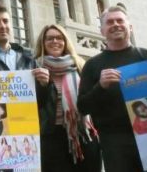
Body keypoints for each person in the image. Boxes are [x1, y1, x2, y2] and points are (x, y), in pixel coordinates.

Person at [78, 6, 147, 172]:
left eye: (120, 20)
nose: (115, 24)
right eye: (109, 22)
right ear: (102, 31)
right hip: (114, 143)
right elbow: (83, 107)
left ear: (130, 27)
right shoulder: (92, 66)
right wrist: (100, 86)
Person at [34, 24, 100, 171]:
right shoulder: (34, 67)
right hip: (50, 136)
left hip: (83, 133)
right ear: (42, 43)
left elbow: (91, 99)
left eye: (59, 38)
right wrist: (42, 86)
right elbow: (32, 105)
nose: (55, 41)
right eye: (49, 38)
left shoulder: (81, 65)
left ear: (65, 41)